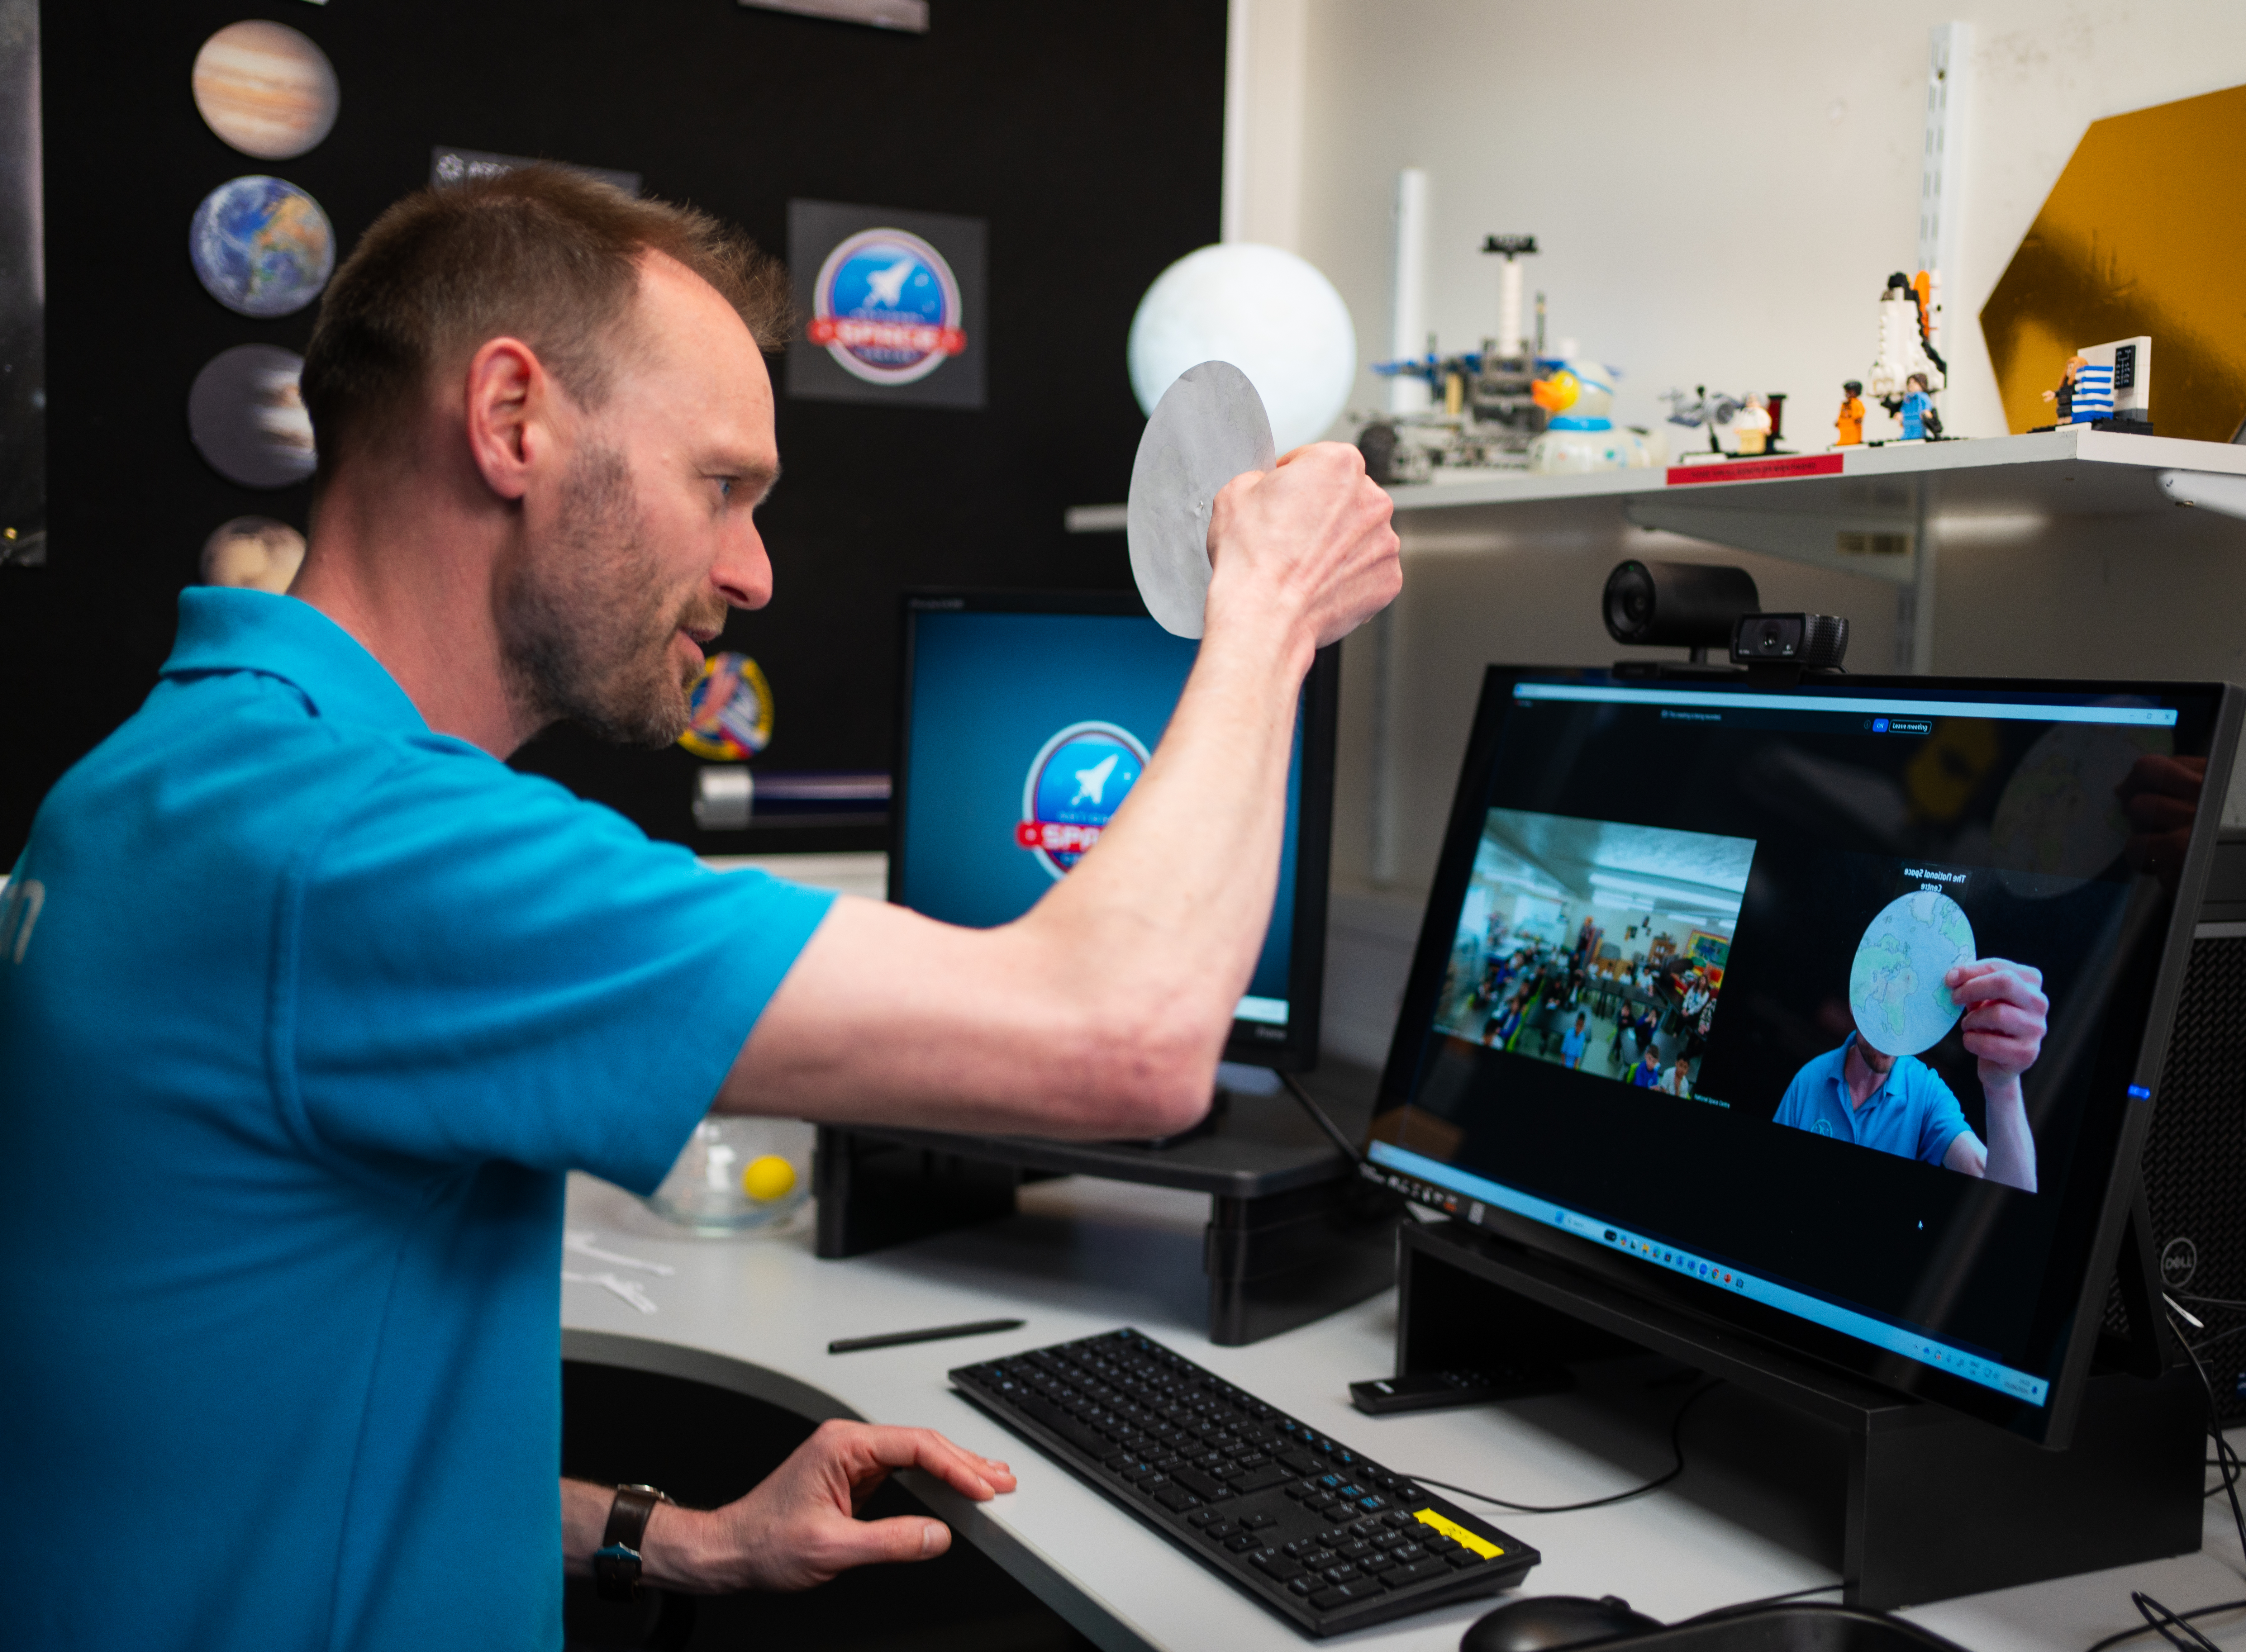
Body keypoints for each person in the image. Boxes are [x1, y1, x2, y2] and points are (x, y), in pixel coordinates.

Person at [0, 169, 1401, 1650]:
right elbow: (1127, 1043)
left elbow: (253, 1426)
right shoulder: (359, 842)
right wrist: (1270, 607)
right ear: (512, 421)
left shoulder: (154, 783)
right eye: (721, 485)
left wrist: (675, 1538)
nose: (752, 568)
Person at [1770, 960, 2049, 1192]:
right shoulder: (1808, 1081)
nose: (1890, 1033)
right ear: (1856, 1006)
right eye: (1879, 1010)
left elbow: (2003, 1199)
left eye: (1899, 1015)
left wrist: (2003, 1088)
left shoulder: (1926, 1093)